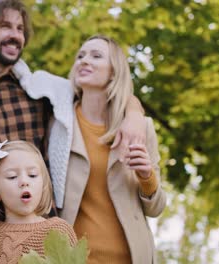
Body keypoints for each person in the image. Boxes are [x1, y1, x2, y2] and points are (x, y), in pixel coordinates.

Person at [0, 0, 146, 261]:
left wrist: (134, 114)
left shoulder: (45, 91)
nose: (16, 35)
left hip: (38, 243)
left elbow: (104, 90)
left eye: (20, 29)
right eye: (6, 26)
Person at [60, 35, 167, 264]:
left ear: (114, 72)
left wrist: (147, 177)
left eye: (96, 56)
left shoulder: (141, 128)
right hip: (74, 258)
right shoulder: (59, 124)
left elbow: (156, 208)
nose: (84, 61)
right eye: (80, 56)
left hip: (131, 257)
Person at [0, 140, 77, 263]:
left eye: (32, 175)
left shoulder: (59, 230)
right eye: (12, 176)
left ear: (43, 185)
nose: (24, 181)